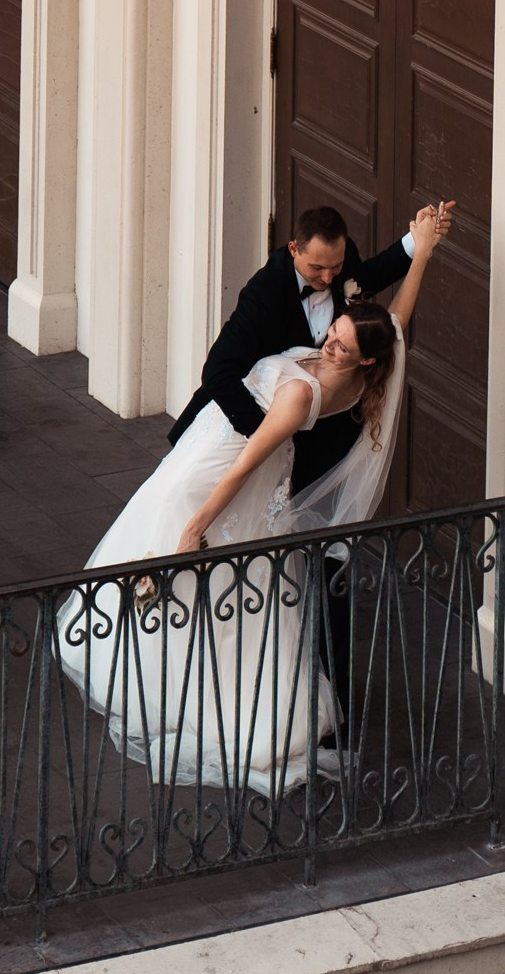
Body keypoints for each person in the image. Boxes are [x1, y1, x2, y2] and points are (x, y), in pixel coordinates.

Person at [69, 219, 449, 792]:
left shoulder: (301, 393)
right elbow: (397, 317)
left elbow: (249, 463)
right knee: (197, 539)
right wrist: (421, 251)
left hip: (237, 454)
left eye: (342, 343)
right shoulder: (355, 347)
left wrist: (196, 526)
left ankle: (177, 680)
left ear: (365, 361)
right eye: (334, 330)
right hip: (226, 433)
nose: (329, 340)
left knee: (188, 533)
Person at [172, 198, 456, 502]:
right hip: (241, 426)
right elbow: (218, 372)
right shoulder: (263, 296)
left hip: (317, 437)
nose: (328, 278)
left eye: (335, 267)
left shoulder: (340, 264)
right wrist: (268, 437)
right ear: (294, 248)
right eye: (317, 268)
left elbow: (368, 277)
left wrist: (419, 241)